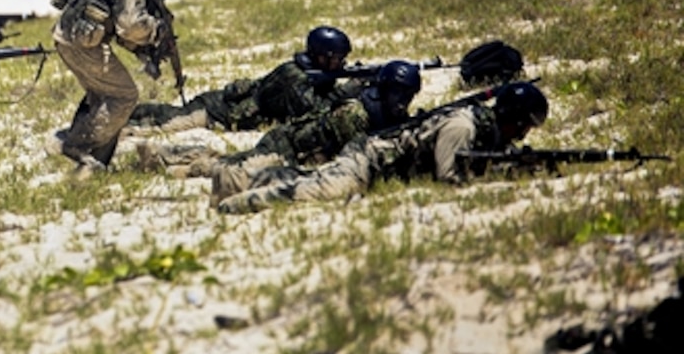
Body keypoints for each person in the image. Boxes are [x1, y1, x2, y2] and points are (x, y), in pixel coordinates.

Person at [217, 81, 549, 214]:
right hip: (369, 159)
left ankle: (261, 178)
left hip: (381, 166)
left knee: (311, 179)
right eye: (524, 126)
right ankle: (235, 204)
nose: (522, 134)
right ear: (512, 118)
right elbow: (449, 178)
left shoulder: (487, 131)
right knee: (328, 190)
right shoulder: (462, 127)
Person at [140, 60, 422, 198]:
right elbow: (356, 148)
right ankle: (169, 159)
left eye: (407, 95)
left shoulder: (371, 108)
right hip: (285, 149)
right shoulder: (355, 114)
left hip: (294, 149)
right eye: (399, 94)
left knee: (232, 160)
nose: (403, 101)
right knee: (227, 166)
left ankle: (172, 158)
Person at [50, 0, 198, 176]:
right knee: (124, 96)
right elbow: (129, 25)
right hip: (79, 41)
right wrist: (157, 31)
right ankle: (76, 145)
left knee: (105, 95)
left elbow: (124, 31)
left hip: (79, 38)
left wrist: (149, 50)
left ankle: (94, 163)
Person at [128, 25, 356, 135]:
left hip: (226, 115)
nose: (342, 63)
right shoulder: (294, 77)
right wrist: (344, 93)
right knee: (159, 124)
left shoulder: (310, 76)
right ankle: (116, 115)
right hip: (215, 112)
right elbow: (311, 113)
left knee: (163, 117)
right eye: (337, 59)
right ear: (320, 57)